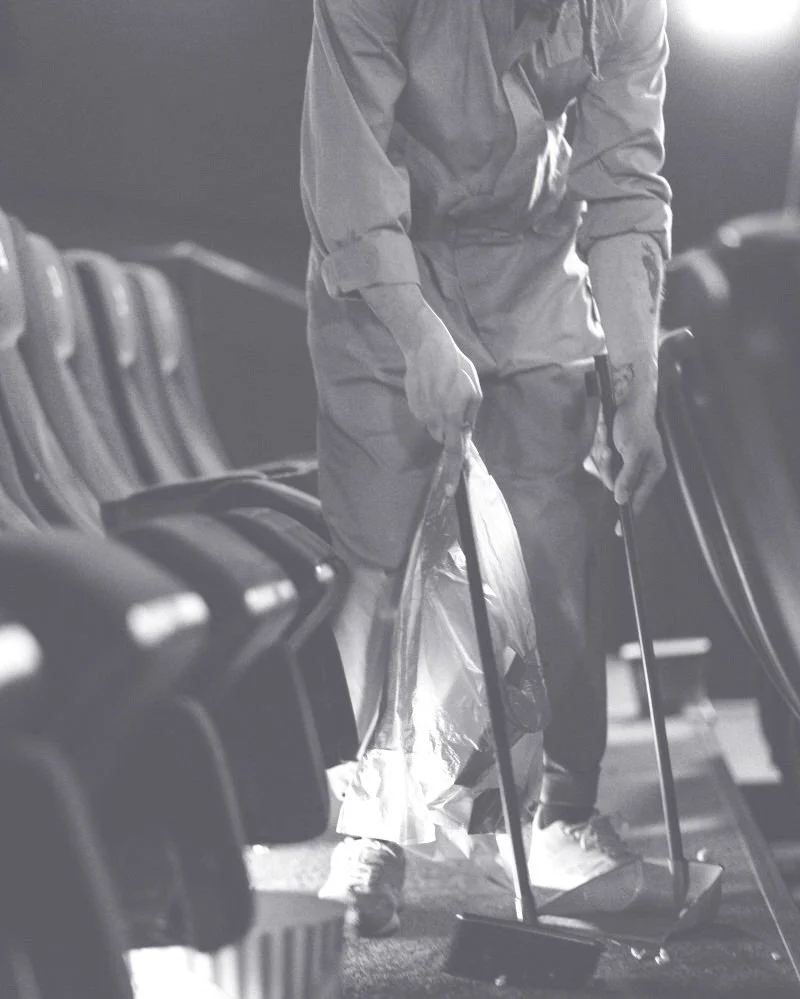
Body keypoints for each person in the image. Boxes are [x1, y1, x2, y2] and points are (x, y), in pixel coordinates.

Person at [301, 0, 671, 937]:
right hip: (389, 265)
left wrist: (637, 375)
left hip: (531, 265)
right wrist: (419, 336)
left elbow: (625, 182)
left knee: (560, 521)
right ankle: (374, 824)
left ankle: (556, 815)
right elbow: (351, 175)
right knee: (384, 549)